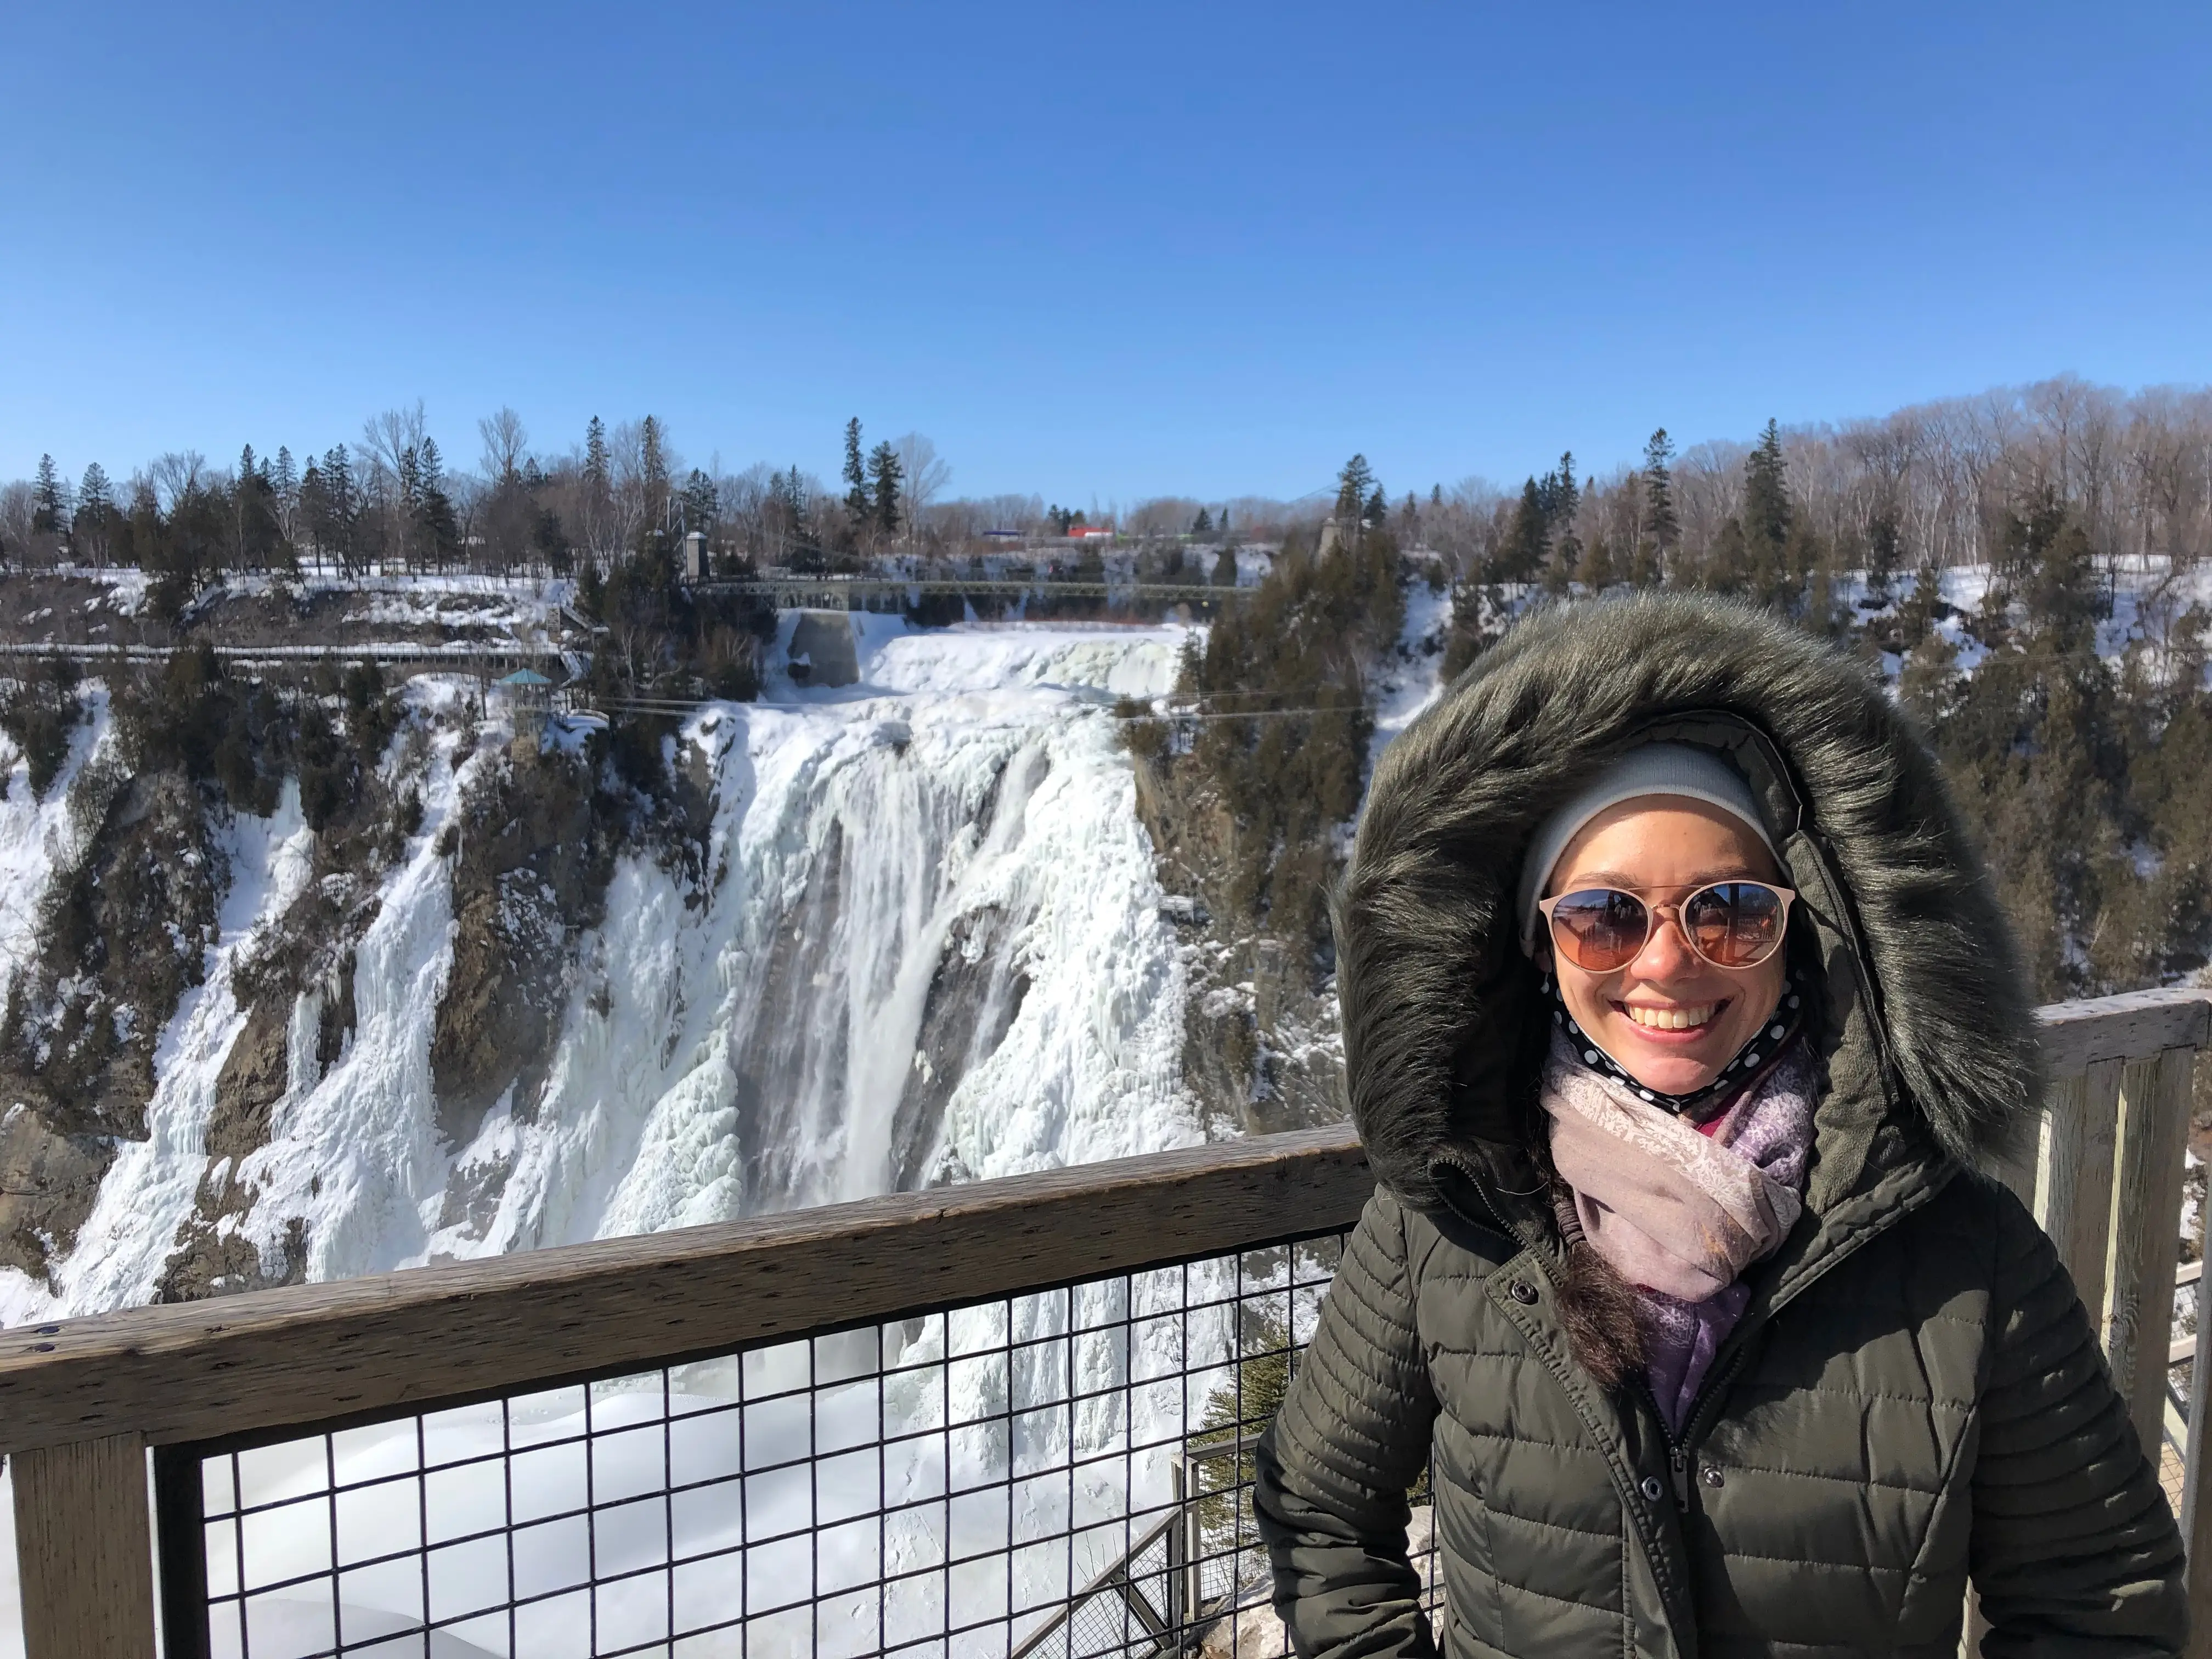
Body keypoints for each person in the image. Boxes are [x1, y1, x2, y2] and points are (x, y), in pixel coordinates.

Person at [1254, 594, 2185, 1657]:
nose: (1663, 964)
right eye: (1602, 916)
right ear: (1537, 945)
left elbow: (2097, 1593)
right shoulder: (1449, 1220)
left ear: (1802, 934)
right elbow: (1320, 1513)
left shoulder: (1960, 1247)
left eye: (1729, 910)